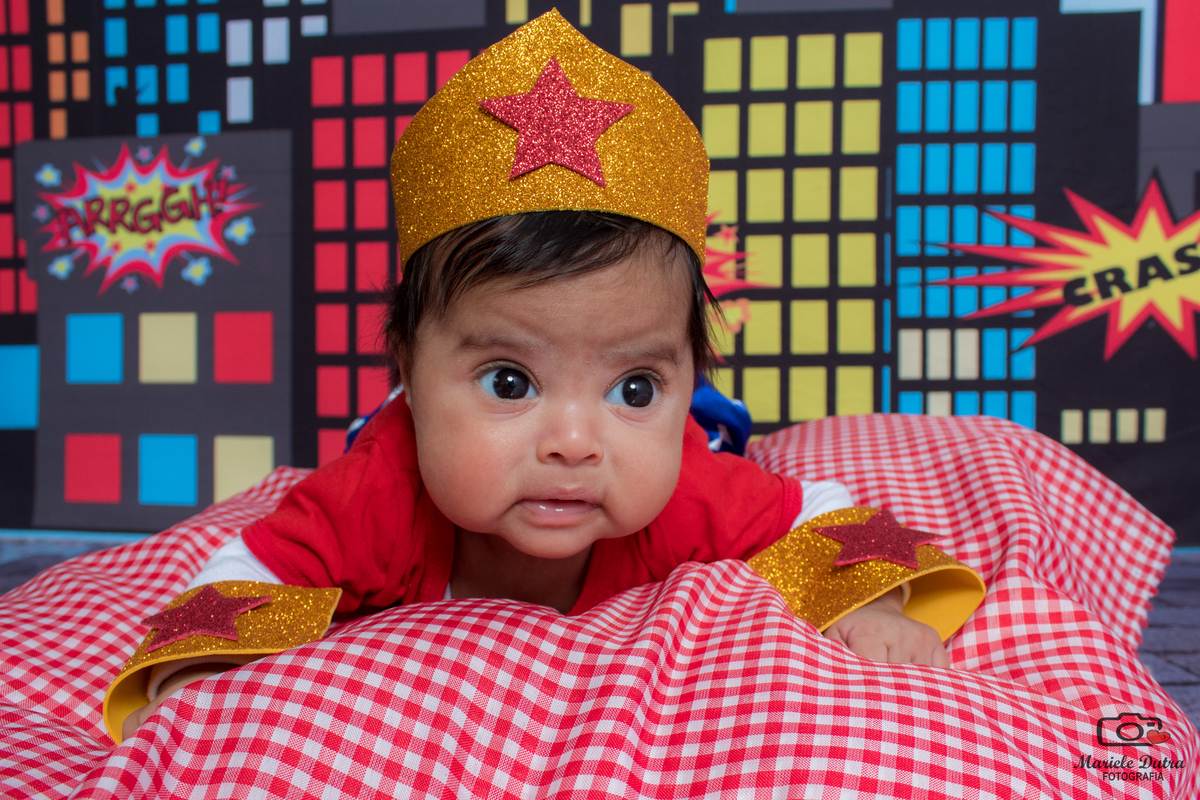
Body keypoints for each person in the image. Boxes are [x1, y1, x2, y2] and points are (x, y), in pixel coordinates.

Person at [106, 10, 984, 745]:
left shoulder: (685, 493)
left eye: (635, 388)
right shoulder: (380, 495)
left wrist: (872, 606)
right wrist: (199, 674)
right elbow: (251, 566)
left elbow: (815, 516)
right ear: (406, 363)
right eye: (508, 382)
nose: (572, 442)